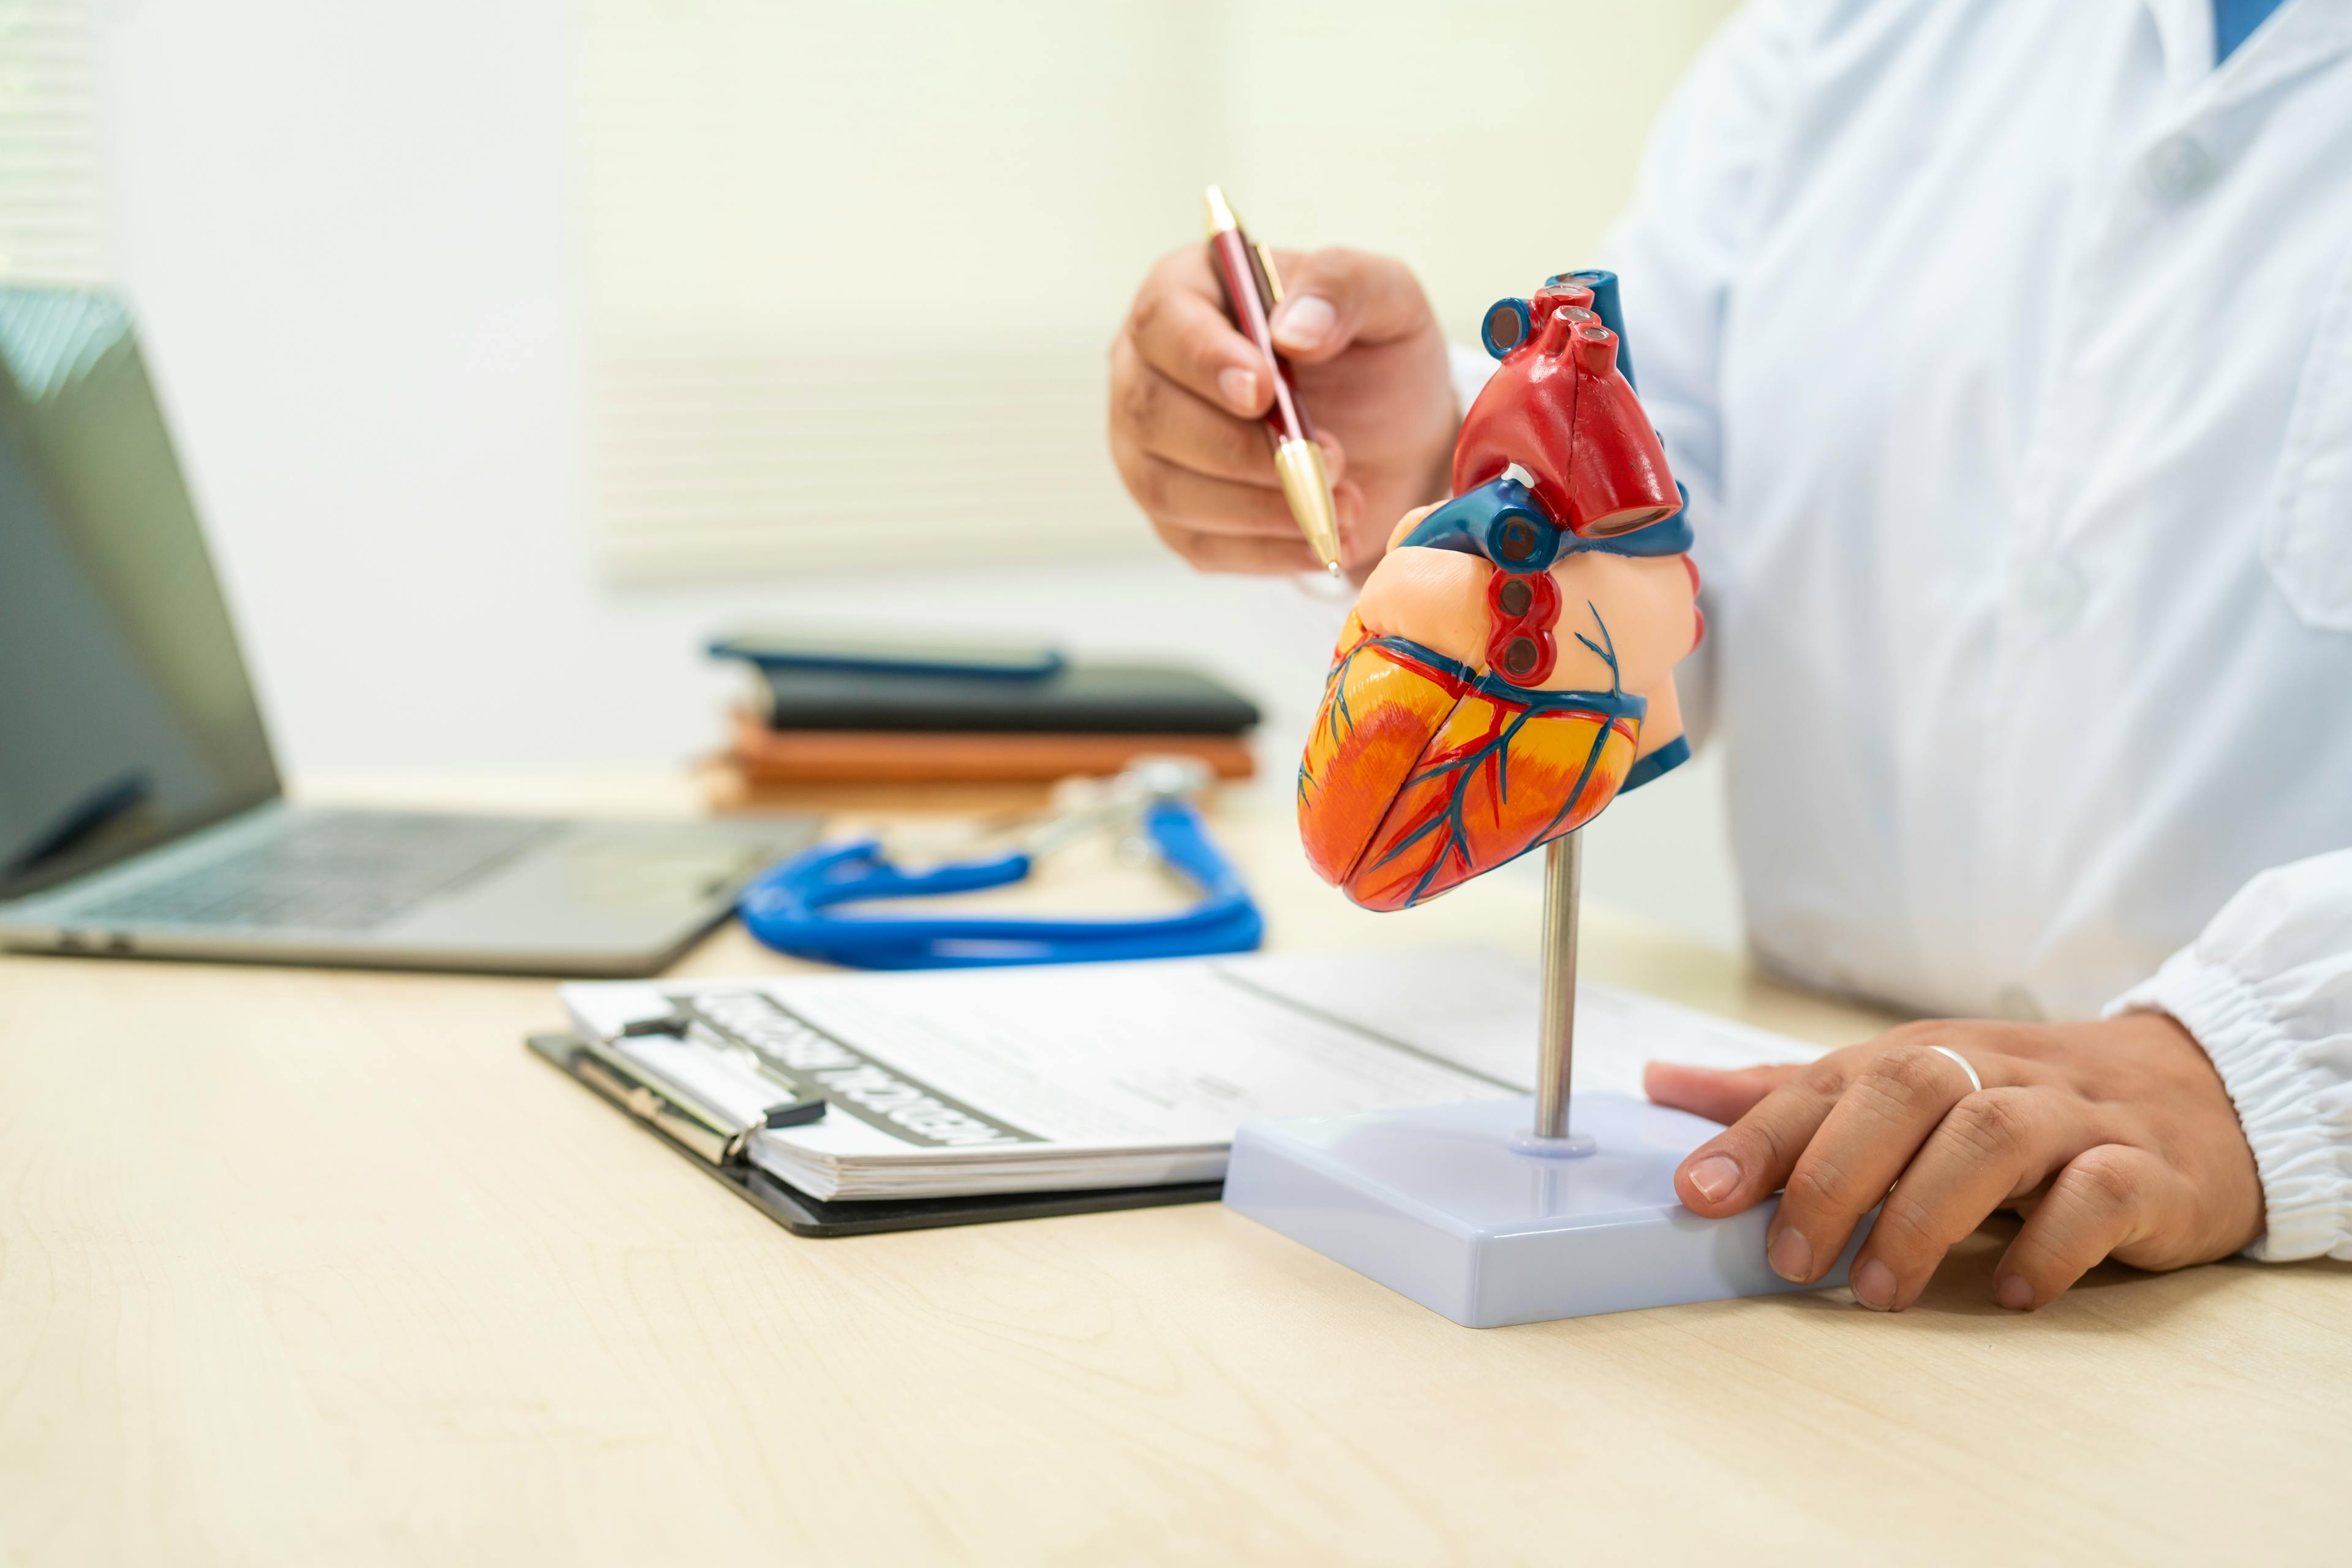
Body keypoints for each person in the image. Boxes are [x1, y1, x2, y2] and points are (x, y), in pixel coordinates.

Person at [1107, 0, 2352, 1310]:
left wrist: (2247, 1064)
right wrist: (1442, 484)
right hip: (1825, 1143)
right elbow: (1668, 582)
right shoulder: (1835, 36)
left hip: (2260, 1271)